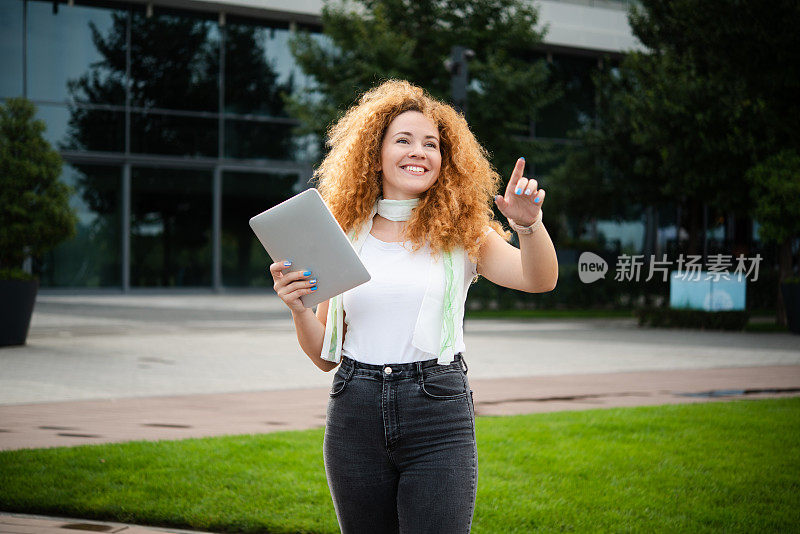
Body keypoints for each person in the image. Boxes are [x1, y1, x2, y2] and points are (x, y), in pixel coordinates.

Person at [269, 80, 558, 534]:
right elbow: (325, 357)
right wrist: (299, 309)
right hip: (354, 411)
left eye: (431, 144)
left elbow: (539, 279)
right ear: (375, 153)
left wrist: (529, 226)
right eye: (402, 140)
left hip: (437, 412)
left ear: (446, 159)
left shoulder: (465, 232)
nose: (419, 151)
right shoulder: (342, 234)